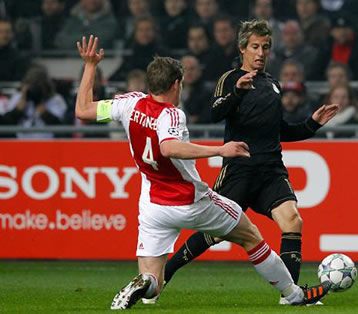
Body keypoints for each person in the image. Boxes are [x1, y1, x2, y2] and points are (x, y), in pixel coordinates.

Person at [75, 35, 331, 310]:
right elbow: (170, 148)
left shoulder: (130, 103)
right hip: (190, 200)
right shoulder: (172, 115)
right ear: (176, 84)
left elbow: (83, 109)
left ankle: (142, 283)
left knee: (153, 283)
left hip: (152, 205)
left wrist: (90, 66)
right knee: (251, 236)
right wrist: (219, 151)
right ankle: (293, 294)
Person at [159, 19, 339, 306]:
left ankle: (290, 294)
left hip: (270, 169)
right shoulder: (230, 79)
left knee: (293, 220)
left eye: (265, 47)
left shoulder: (273, 84)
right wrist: (239, 91)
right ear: (242, 48)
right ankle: (164, 275)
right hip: (239, 170)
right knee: (213, 235)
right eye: (255, 46)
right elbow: (216, 113)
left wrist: (312, 124)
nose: (260, 53)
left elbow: (281, 131)